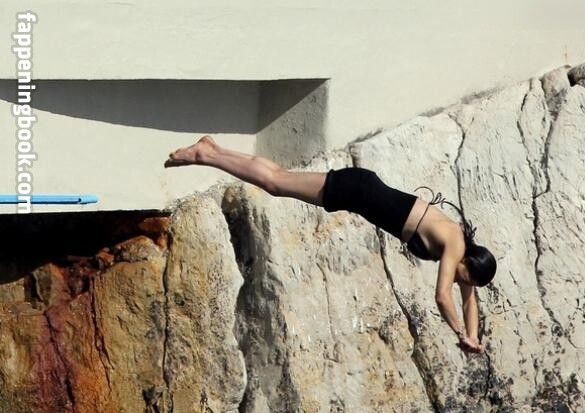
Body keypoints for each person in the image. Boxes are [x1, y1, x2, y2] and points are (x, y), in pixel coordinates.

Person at [165, 135, 496, 354]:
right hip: (356, 192)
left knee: (278, 177)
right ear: (467, 263)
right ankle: (205, 155)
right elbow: (442, 296)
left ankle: (212, 149)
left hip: (361, 190)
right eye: (463, 277)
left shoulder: (461, 252)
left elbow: (469, 302)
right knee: (275, 183)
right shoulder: (454, 245)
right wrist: (459, 334)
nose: (459, 281)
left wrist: (474, 338)